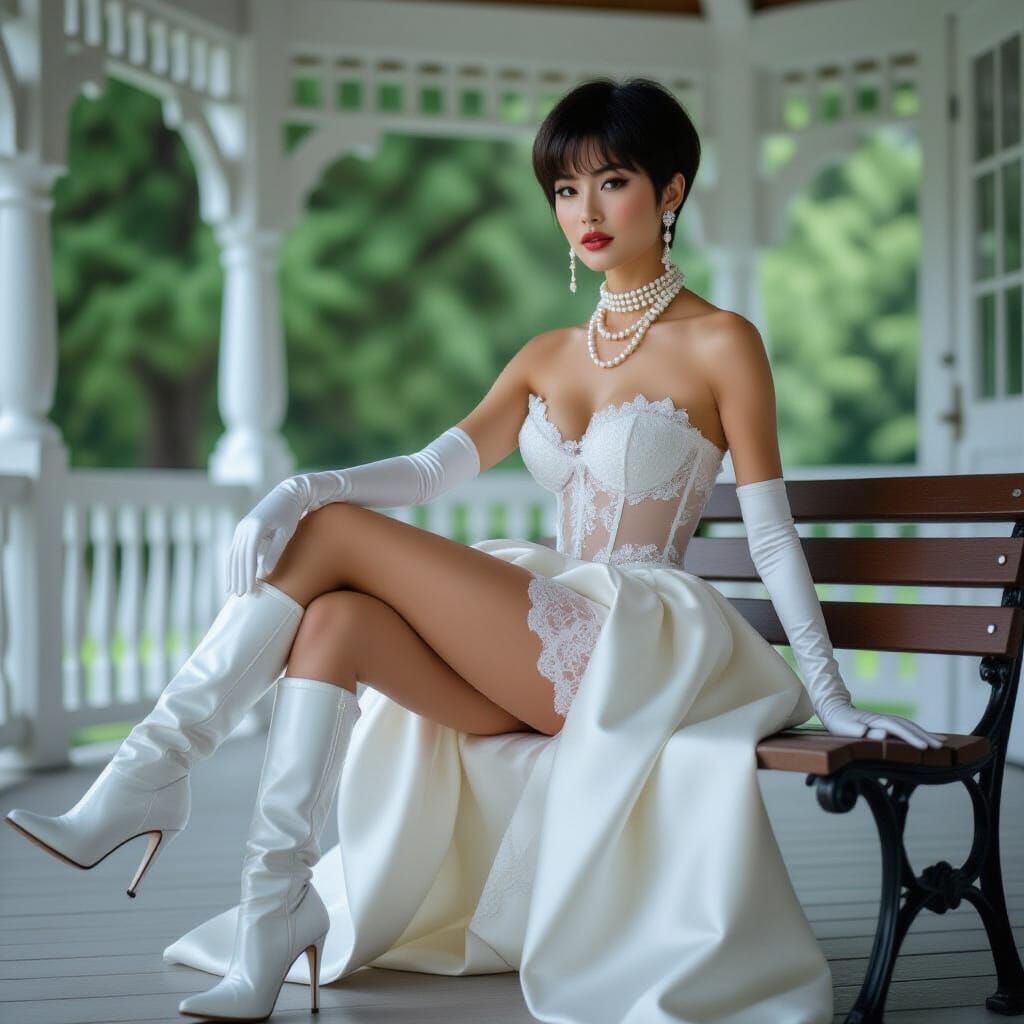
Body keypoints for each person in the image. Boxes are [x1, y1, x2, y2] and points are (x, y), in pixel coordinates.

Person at [5, 76, 943, 1023]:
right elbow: (428, 469)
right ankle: (271, 914)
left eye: (611, 181)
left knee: (329, 536)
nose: (584, 210)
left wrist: (831, 695)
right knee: (333, 622)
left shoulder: (721, 343)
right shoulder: (547, 352)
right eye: (565, 190)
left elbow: (772, 530)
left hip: (633, 646)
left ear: (671, 191)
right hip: (543, 634)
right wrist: (305, 483)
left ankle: (148, 777)